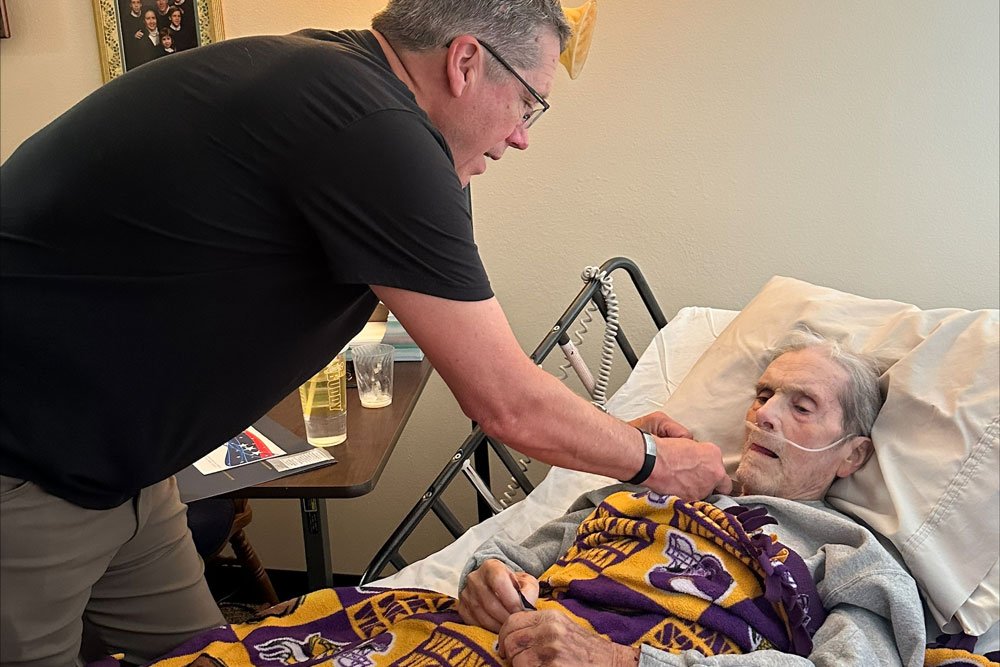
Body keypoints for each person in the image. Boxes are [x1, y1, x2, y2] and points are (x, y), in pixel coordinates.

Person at [0, 1, 728, 664]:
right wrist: (651, 460)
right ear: (465, 60)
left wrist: (612, 433)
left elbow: (465, 337)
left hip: (128, 469)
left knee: (205, 653)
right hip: (26, 468)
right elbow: (505, 399)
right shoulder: (370, 125)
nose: (520, 136)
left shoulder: (339, 83)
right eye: (529, 103)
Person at [455, 331, 931, 666]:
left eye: (801, 406)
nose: (764, 414)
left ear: (852, 455)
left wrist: (622, 661)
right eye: (763, 395)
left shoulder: (852, 555)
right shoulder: (646, 493)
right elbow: (510, 559)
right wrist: (486, 581)